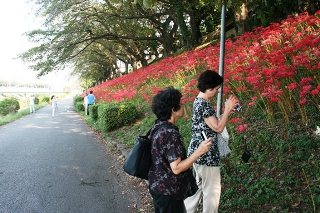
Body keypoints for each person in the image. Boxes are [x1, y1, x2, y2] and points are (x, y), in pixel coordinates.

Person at [148, 87, 213, 213]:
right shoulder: (170, 133)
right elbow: (176, 168)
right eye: (180, 104)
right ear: (173, 109)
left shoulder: (158, 127)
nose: (183, 106)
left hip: (158, 187)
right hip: (168, 191)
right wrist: (200, 151)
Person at [184, 70, 238, 213]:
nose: (217, 92)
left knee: (199, 189)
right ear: (209, 88)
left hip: (198, 152)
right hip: (206, 154)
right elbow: (218, 127)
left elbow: (212, 124)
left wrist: (227, 112)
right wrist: (226, 110)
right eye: (216, 89)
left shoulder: (199, 101)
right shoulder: (204, 104)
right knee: (212, 192)